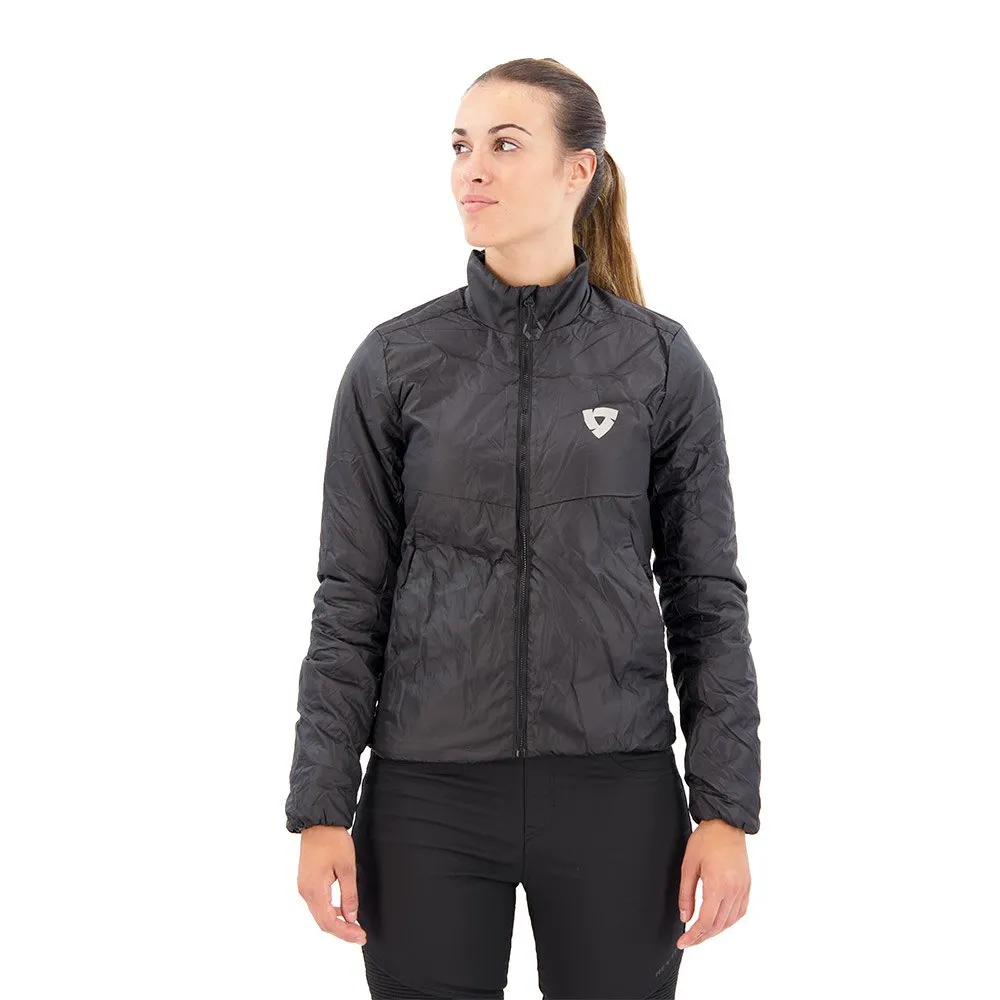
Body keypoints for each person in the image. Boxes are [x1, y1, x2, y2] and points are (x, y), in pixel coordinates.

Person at [286, 56, 761, 1000]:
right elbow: (350, 596)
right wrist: (320, 805)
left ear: (579, 171)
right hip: (427, 796)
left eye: (505, 145)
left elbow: (706, 597)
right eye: (461, 146)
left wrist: (725, 809)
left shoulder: (658, 362)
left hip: (616, 791)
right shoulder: (397, 362)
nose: (473, 169)